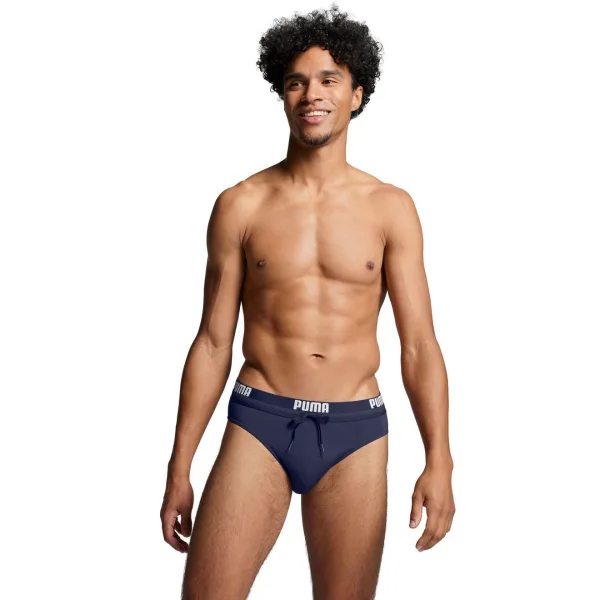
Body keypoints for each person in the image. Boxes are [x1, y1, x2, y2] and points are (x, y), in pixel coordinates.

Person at [160, 5, 455, 599]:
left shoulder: (390, 207)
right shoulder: (241, 204)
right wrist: (179, 465)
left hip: (355, 431)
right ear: (283, 95)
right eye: (296, 82)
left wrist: (440, 460)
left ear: (357, 95)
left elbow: (419, 345)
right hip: (260, 419)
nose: (311, 95)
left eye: (329, 80)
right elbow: (213, 342)